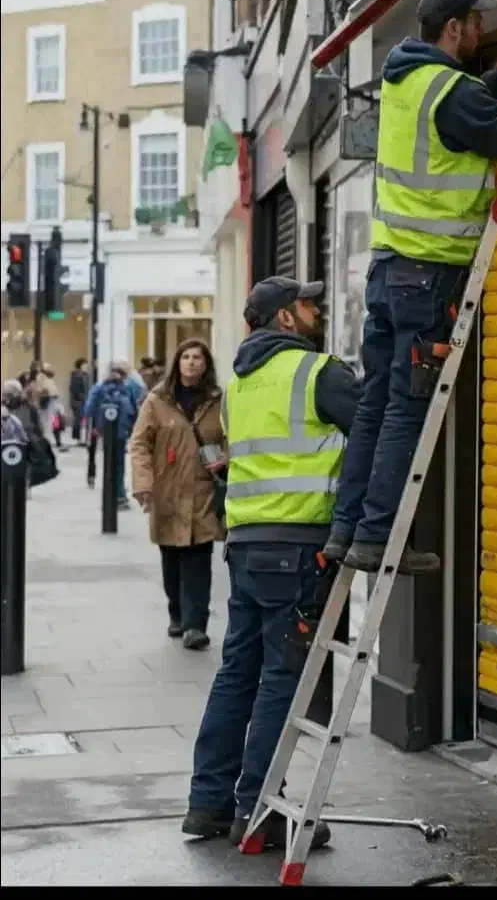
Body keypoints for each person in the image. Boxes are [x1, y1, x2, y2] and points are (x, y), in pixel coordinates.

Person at [322, 0, 497, 575]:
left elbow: (459, 120)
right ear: (452, 29)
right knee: (406, 406)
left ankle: (347, 531)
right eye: (476, 23)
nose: (481, 31)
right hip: (429, 275)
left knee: (376, 403)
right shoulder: (448, 90)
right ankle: (379, 538)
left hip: (389, 272)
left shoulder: (404, 82)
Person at [182, 276, 360, 849]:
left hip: (248, 545)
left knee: (238, 672)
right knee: (283, 679)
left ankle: (206, 805)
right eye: (307, 304)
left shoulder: (237, 382)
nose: (315, 311)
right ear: (285, 318)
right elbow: (372, 430)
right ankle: (259, 808)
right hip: (299, 547)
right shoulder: (318, 372)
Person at [130, 339, 226, 651]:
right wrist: (143, 484)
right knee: (171, 557)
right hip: (167, 491)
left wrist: (225, 458)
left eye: (198, 357)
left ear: (206, 363)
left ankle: (195, 625)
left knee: (199, 558)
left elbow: (233, 436)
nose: (191, 362)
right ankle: (177, 613)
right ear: (177, 362)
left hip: (202, 491)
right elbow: (140, 444)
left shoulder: (218, 400)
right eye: (186, 356)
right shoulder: (157, 400)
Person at [83, 362, 139, 507]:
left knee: (109, 463)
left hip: (105, 431)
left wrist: (94, 426)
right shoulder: (128, 388)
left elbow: (88, 409)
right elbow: (135, 410)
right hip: (122, 432)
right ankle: (119, 495)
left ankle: (111, 495)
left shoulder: (99, 388)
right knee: (119, 463)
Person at [2, 379, 57, 488]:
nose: (4, 395)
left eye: (7, 393)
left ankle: (25, 484)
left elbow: (37, 426)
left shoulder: (28, 407)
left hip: (25, 442)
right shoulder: (24, 406)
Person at [69, 358, 90, 444]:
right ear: (80, 366)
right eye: (85, 365)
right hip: (78, 402)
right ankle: (79, 439)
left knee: (83, 421)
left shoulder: (86, 375)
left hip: (83, 401)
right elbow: (75, 390)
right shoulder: (77, 375)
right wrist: (84, 399)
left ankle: (83, 439)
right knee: (78, 421)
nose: (86, 367)